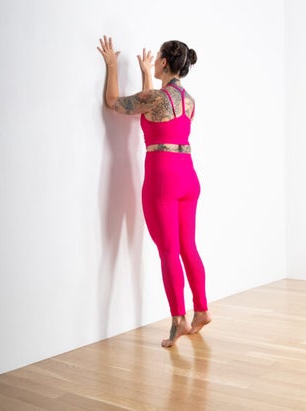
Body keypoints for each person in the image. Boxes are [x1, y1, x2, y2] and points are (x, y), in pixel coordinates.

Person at [97, 35, 211, 347]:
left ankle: (178, 320)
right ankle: (201, 309)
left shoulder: (154, 99)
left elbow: (113, 102)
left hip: (163, 178)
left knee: (168, 250)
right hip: (188, 176)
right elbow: (157, 112)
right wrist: (148, 74)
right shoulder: (188, 101)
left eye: (157, 58)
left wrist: (111, 65)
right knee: (188, 246)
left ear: (163, 62)